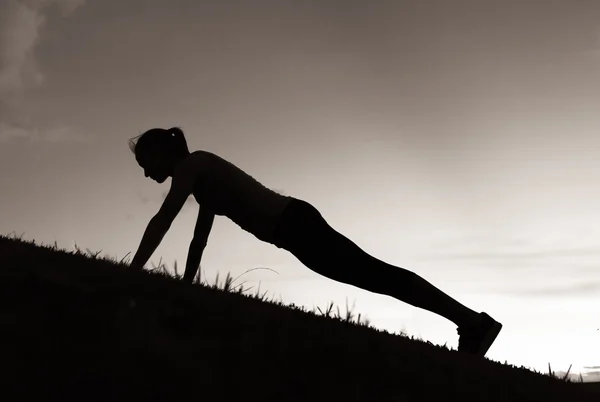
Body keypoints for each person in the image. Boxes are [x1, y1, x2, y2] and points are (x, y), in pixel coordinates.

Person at [128, 127, 502, 357]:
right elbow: (198, 239)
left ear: (163, 152)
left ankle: (471, 322)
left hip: (295, 225)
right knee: (378, 277)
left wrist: (134, 272)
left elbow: (163, 220)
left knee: (380, 277)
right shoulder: (200, 178)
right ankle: (470, 323)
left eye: (146, 162)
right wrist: (188, 284)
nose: (146, 172)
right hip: (294, 229)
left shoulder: (194, 165)